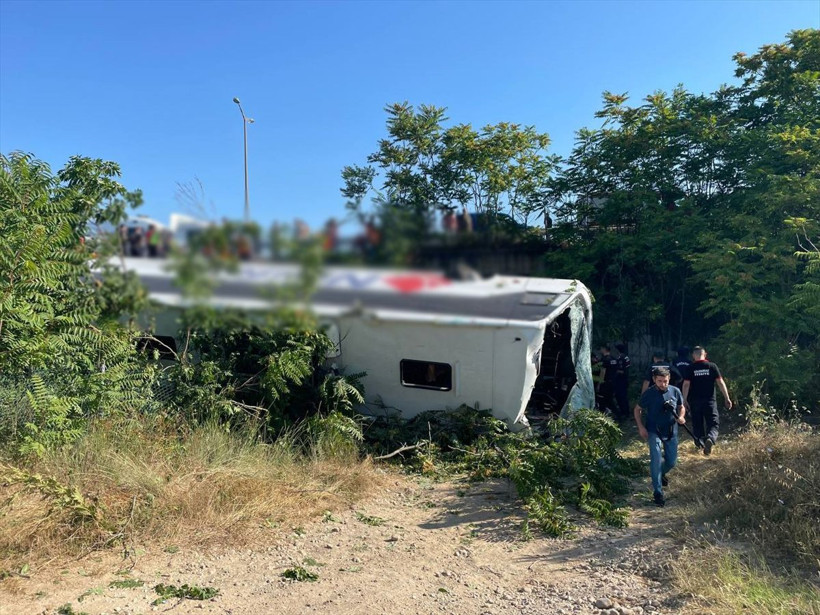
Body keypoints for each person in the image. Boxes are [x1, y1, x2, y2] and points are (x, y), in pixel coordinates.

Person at [634, 366, 686, 507]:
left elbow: (681, 406)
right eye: (660, 381)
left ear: (669, 379)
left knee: (671, 462)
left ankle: (660, 473)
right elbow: (637, 409)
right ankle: (658, 492)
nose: (663, 384)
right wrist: (641, 427)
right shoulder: (649, 394)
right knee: (656, 458)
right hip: (653, 430)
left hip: (670, 431)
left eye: (665, 381)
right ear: (654, 380)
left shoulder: (675, 391)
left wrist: (681, 417)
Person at [682, 346, 732, 456]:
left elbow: (686, 385)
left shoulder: (690, 368)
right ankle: (710, 438)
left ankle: (700, 445)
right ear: (705, 354)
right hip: (710, 401)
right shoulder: (712, 366)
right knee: (713, 423)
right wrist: (727, 397)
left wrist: (684, 400)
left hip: (695, 401)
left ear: (693, 356)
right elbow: (720, 383)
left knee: (697, 424)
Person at [598, 344, 618, 415]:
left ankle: (602, 415)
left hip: (605, 383)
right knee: (609, 399)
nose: (600, 350)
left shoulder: (604, 359)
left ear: (604, 349)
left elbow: (603, 372)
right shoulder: (614, 359)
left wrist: (599, 383)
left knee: (602, 399)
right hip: (613, 382)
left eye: (601, 349)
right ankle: (617, 415)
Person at [614, 343, 631, 419]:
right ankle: (625, 412)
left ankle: (624, 412)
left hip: (621, 380)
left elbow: (623, 370)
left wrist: (615, 371)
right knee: (622, 396)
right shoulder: (626, 357)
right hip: (624, 379)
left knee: (621, 396)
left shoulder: (621, 358)